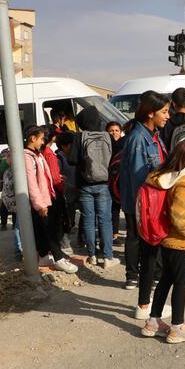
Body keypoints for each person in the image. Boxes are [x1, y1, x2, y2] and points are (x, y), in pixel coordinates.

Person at [141, 133, 185, 343]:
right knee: (181, 281)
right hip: (179, 240)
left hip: (166, 238)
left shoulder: (172, 174)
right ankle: (177, 327)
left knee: (167, 278)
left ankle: (153, 322)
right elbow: (177, 214)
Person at [119, 90, 170, 308]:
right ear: (150, 113)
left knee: (151, 252)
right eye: (164, 112)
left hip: (152, 204)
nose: (167, 116)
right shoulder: (138, 139)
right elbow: (140, 181)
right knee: (147, 252)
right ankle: (145, 305)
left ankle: (147, 302)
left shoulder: (153, 135)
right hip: (144, 205)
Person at [22, 125, 78, 273]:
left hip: (45, 197)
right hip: (39, 201)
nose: (43, 142)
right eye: (41, 139)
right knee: (50, 231)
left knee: (42, 230)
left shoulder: (36, 154)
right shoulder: (27, 157)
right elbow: (31, 183)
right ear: (32, 138)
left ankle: (43, 256)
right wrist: (40, 204)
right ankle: (59, 259)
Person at [71, 107, 117, 268]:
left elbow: (72, 160)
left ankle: (92, 255)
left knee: (88, 220)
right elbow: (115, 158)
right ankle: (108, 257)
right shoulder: (108, 136)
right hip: (104, 183)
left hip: (85, 184)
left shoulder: (79, 137)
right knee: (105, 220)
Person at [41, 126, 68, 255]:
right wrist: (62, 188)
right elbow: (55, 178)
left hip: (44, 192)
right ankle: (56, 252)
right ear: (53, 138)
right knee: (55, 224)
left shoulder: (40, 152)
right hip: (53, 193)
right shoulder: (49, 153)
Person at [56, 132, 77, 251]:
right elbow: (59, 178)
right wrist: (70, 186)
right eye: (71, 145)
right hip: (66, 194)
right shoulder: (59, 159)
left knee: (72, 217)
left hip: (74, 193)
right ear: (64, 146)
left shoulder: (74, 155)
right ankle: (64, 242)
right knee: (66, 218)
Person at [106, 121, 124, 246]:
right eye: (111, 130)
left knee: (118, 207)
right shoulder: (105, 145)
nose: (114, 133)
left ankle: (115, 234)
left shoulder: (124, 144)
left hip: (121, 180)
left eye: (117, 130)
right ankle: (113, 235)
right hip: (109, 180)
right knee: (113, 209)